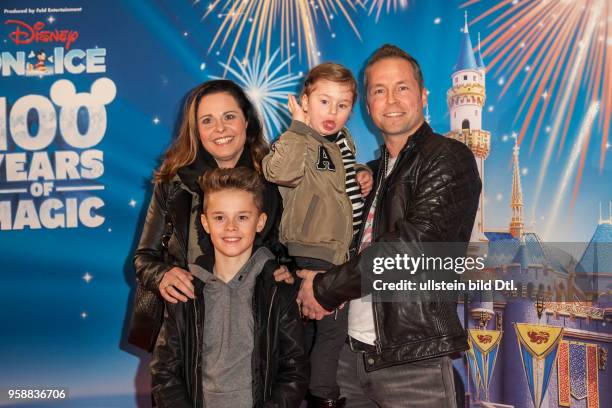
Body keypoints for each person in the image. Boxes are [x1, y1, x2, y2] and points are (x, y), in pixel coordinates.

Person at [297, 45, 482, 407]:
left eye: (402, 87)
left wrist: (322, 288)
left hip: (414, 361)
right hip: (348, 358)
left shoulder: (449, 158)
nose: (391, 99)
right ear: (367, 104)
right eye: (379, 90)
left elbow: (411, 249)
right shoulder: (368, 173)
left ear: (424, 95)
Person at [129, 79, 287, 352]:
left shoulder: (277, 179)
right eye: (207, 121)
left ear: (246, 121)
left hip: (256, 332)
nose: (220, 129)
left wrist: (287, 272)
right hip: (186, 328)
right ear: (196, 130)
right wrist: (163, 275)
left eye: (229, 116)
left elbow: (288, 250)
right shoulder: (172, 183)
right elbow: (144, 258)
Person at [262, 62, 373, 407]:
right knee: (332, 329)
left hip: (340, 250)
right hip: (314, 247)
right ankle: (323, 395)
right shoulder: (301, 139)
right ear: (305, 101)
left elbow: (340, 177)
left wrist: (363, 171)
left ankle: (301, 392)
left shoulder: (342, 140)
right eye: (324, 102)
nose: (333, 112)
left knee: (314, 328)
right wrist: (297, 128)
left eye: (342, 106)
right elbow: (278, 170)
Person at [150, 167, 308, 407]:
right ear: (205, 222)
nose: (231, 227)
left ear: (260, 222)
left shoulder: (278, 288)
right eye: (220, 217)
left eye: (242, 217)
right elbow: (164, 371)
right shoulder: (185, 289)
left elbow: (294, 369)